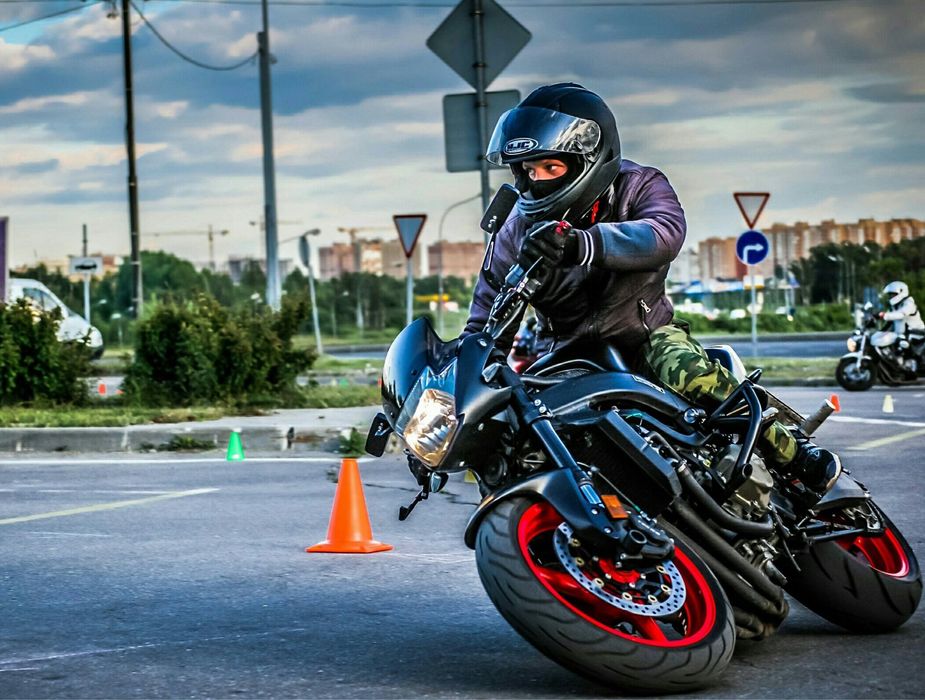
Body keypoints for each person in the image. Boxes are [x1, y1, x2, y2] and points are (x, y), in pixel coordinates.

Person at [463, 82, 839, 494]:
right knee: (514, 435)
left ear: (588, 158)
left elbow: (664, 233)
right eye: (529, 170)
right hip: (565, 357)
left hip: (645, 338)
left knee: (686, 369)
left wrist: (581, 244)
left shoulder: (639, 185)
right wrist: (460, 380)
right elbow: (485, 311)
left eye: (550, 168)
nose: (536, 181)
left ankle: (795, 454)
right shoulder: (516, 230)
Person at [880, 280, 925, 370]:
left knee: (901, 342)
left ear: (901, 292)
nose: (891, 297)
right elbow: (889, 322)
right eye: (890, 295)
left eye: (893, 294)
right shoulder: (895, 307)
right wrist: (880, 332)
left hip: (917, 334)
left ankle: (913, 366)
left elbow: (901, 314)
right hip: (904, 335)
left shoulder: (909, 304)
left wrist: (884, 315)